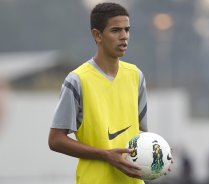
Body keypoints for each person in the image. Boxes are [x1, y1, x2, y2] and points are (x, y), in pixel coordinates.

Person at [48, 2, 148, 184]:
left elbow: (140, 135)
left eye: (127, 30)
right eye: (116, 30)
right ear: (97, 35)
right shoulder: (77, 80)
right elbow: (55, 140)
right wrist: (106, 155)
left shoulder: (136, 76)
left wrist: (157, 155)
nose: (124, 36)